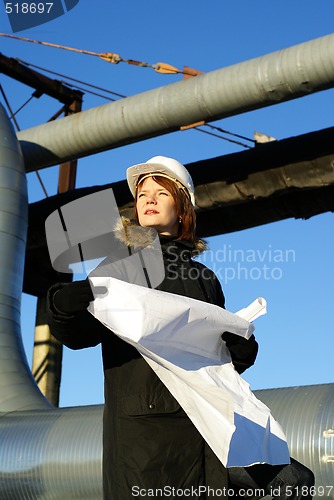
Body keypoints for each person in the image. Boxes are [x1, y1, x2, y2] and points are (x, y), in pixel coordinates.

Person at [47, 156, 314, 500]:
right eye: (143, 194)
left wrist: (241, 347)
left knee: (295, 482)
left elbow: (213, 360)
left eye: (161, 193)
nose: (149, 199)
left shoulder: (205, 279)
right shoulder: (122, 265)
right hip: (149, 441)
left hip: (209, 427)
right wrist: (63, 307)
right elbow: (79, 334)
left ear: (183, 209)